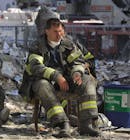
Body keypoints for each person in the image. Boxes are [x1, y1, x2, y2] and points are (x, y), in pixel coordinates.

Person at [19, 6, 100, 137]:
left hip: (65, 80)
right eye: (55, 32)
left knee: (88, 80)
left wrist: (77, 73)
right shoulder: (37, 46)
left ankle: (86, 124)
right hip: (41, 82)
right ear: (46, 31)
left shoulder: (68, 44)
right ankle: (62, 125)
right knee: (43, 85)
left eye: (61, 31)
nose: (59, 35)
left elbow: (78, 61)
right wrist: (56, 76)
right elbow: (35, 67)